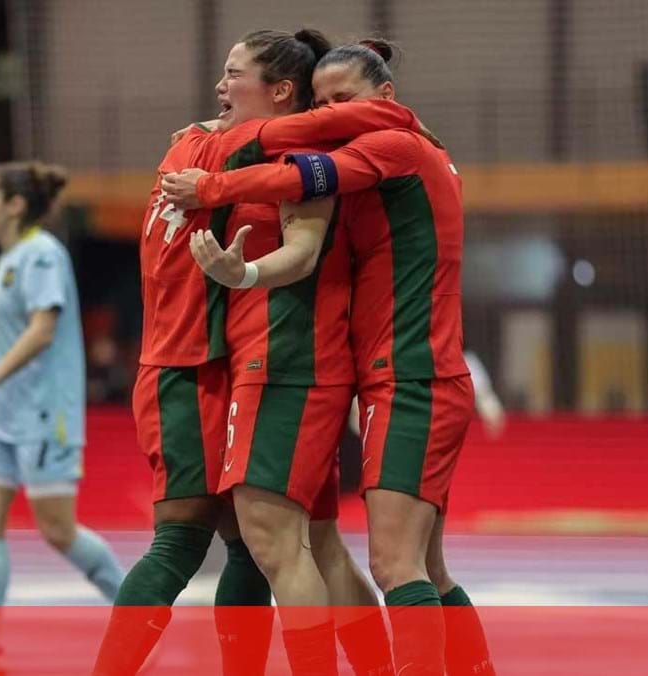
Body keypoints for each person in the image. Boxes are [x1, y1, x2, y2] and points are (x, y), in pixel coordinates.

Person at [93, 29, 424, 676]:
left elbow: (304, 243)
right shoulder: (211, 143)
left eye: (232, 72)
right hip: (191, 365)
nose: (219, 86)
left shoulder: (269, 151)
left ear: (276, 90)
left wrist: (375, 113)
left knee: (266, 545)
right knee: (243, 543)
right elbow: (354, 122)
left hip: (269, 363)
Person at [163, 41, 495, 676]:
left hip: (411, 375)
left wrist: (211, 180)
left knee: (395, 564)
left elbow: (300, 175)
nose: (333, 113)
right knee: (423, 566)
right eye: (325, 101)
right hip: (402, 373)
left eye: (347, 100)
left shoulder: (396, 145)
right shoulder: (413, 148)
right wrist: (219, 130)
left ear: (387, 99)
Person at [0, 161, 124, 675]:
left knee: (58, 531)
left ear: (14, 206)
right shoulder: (9, 259)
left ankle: (139, 615)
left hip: (43, 412)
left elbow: (41, 330)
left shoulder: (41, 254)